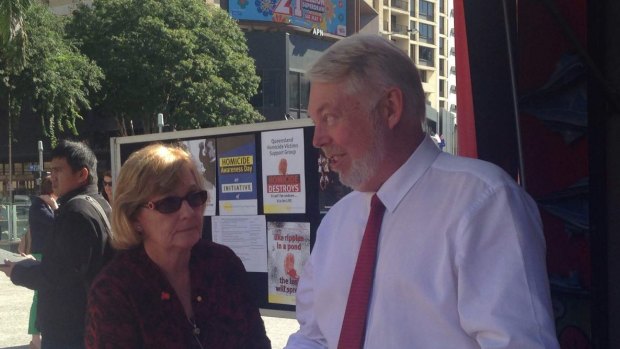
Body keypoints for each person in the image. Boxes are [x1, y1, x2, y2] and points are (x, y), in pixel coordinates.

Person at [285, 34, 559, 348]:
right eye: (315, 121)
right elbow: (313, 336)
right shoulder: (337, 221)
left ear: (389, 108)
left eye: (329, 117)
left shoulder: (484, 202)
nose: (317, 139)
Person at [84, 144, 271, 349]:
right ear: (134, 216)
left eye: (194, 197)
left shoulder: (223, 264)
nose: (188, 213)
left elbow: (257, 342)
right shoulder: (115, 289)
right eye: (168, 203)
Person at [1, 140, 113, 349]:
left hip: (70, 330)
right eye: (51, 170)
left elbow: (58, 277)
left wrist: (18, 271)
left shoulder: (75, 212)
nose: (52, 176)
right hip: (88, 324)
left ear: (82, 174)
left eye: (58, 170)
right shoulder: (99, 203)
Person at [22, 176, 58, 349]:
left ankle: (39, 337)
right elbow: (58, 224)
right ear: (51, 190)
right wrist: (55, 207)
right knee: (39, 296)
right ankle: (35, 339)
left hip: (49, 255)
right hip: (41, 255)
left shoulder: (43, 205)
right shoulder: (39, 206)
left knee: (45, 295)